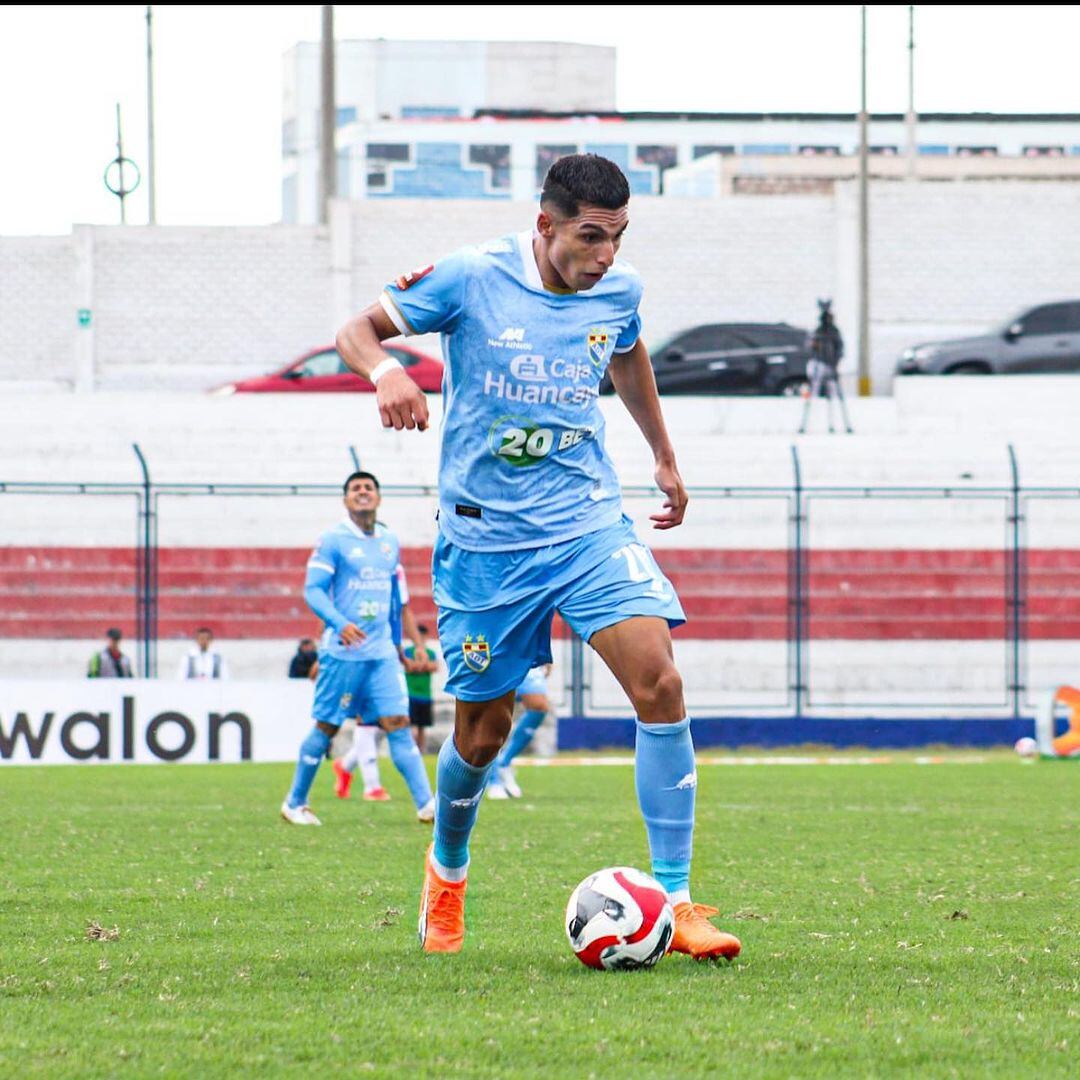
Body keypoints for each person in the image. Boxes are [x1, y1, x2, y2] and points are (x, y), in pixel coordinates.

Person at [336, 153, 741, 960]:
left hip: (586, 522)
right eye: (591, 237)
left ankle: (682, 899)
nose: (607, 256)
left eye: (619, 237)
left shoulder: (619, 290)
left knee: (658, 679)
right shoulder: (470, 277)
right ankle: (447, 873)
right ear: (546, 225)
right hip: (486, 542)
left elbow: (625, 353)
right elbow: (356, 331)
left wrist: (663, 453)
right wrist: (386, 370)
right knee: (484, 731)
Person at [280, 470, 435, 826]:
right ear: (346, 500)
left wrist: (404, 645)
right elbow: (313, 590)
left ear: (378, 498)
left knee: (399, 722)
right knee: (327, 727)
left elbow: (396, 598)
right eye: (355, 489)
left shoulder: (389, 541)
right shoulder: (333, 540)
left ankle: (427, 804)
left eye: (368, 488)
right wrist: (339, 623)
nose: (363, 492)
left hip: (381, 653)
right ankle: (295, 802)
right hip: (344, 653)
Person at [487, 664, 552, 799]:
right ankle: (494, 780)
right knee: (494, 711)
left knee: (539, 706)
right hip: (497, 653)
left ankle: (503, 763)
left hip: (528, 657)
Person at [797, 298, 853, 435]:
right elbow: (809, 348)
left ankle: (837, 425)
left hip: (830, 365)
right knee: (814, 393)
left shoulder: (833, 332)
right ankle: (807, 425)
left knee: (833, 395)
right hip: (820, 364)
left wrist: (834, 363)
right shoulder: (818, 331)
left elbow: (840, 349)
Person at [404, 623, 439, 753]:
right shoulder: (408, 650)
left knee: (422, 726)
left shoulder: (431, 652)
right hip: (411, 693)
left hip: (425, 694)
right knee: (411, 725)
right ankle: (411, 750)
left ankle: (421, 751)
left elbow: (434, 667)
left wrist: (418, 665)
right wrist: (423, 665)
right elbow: (409, 667)